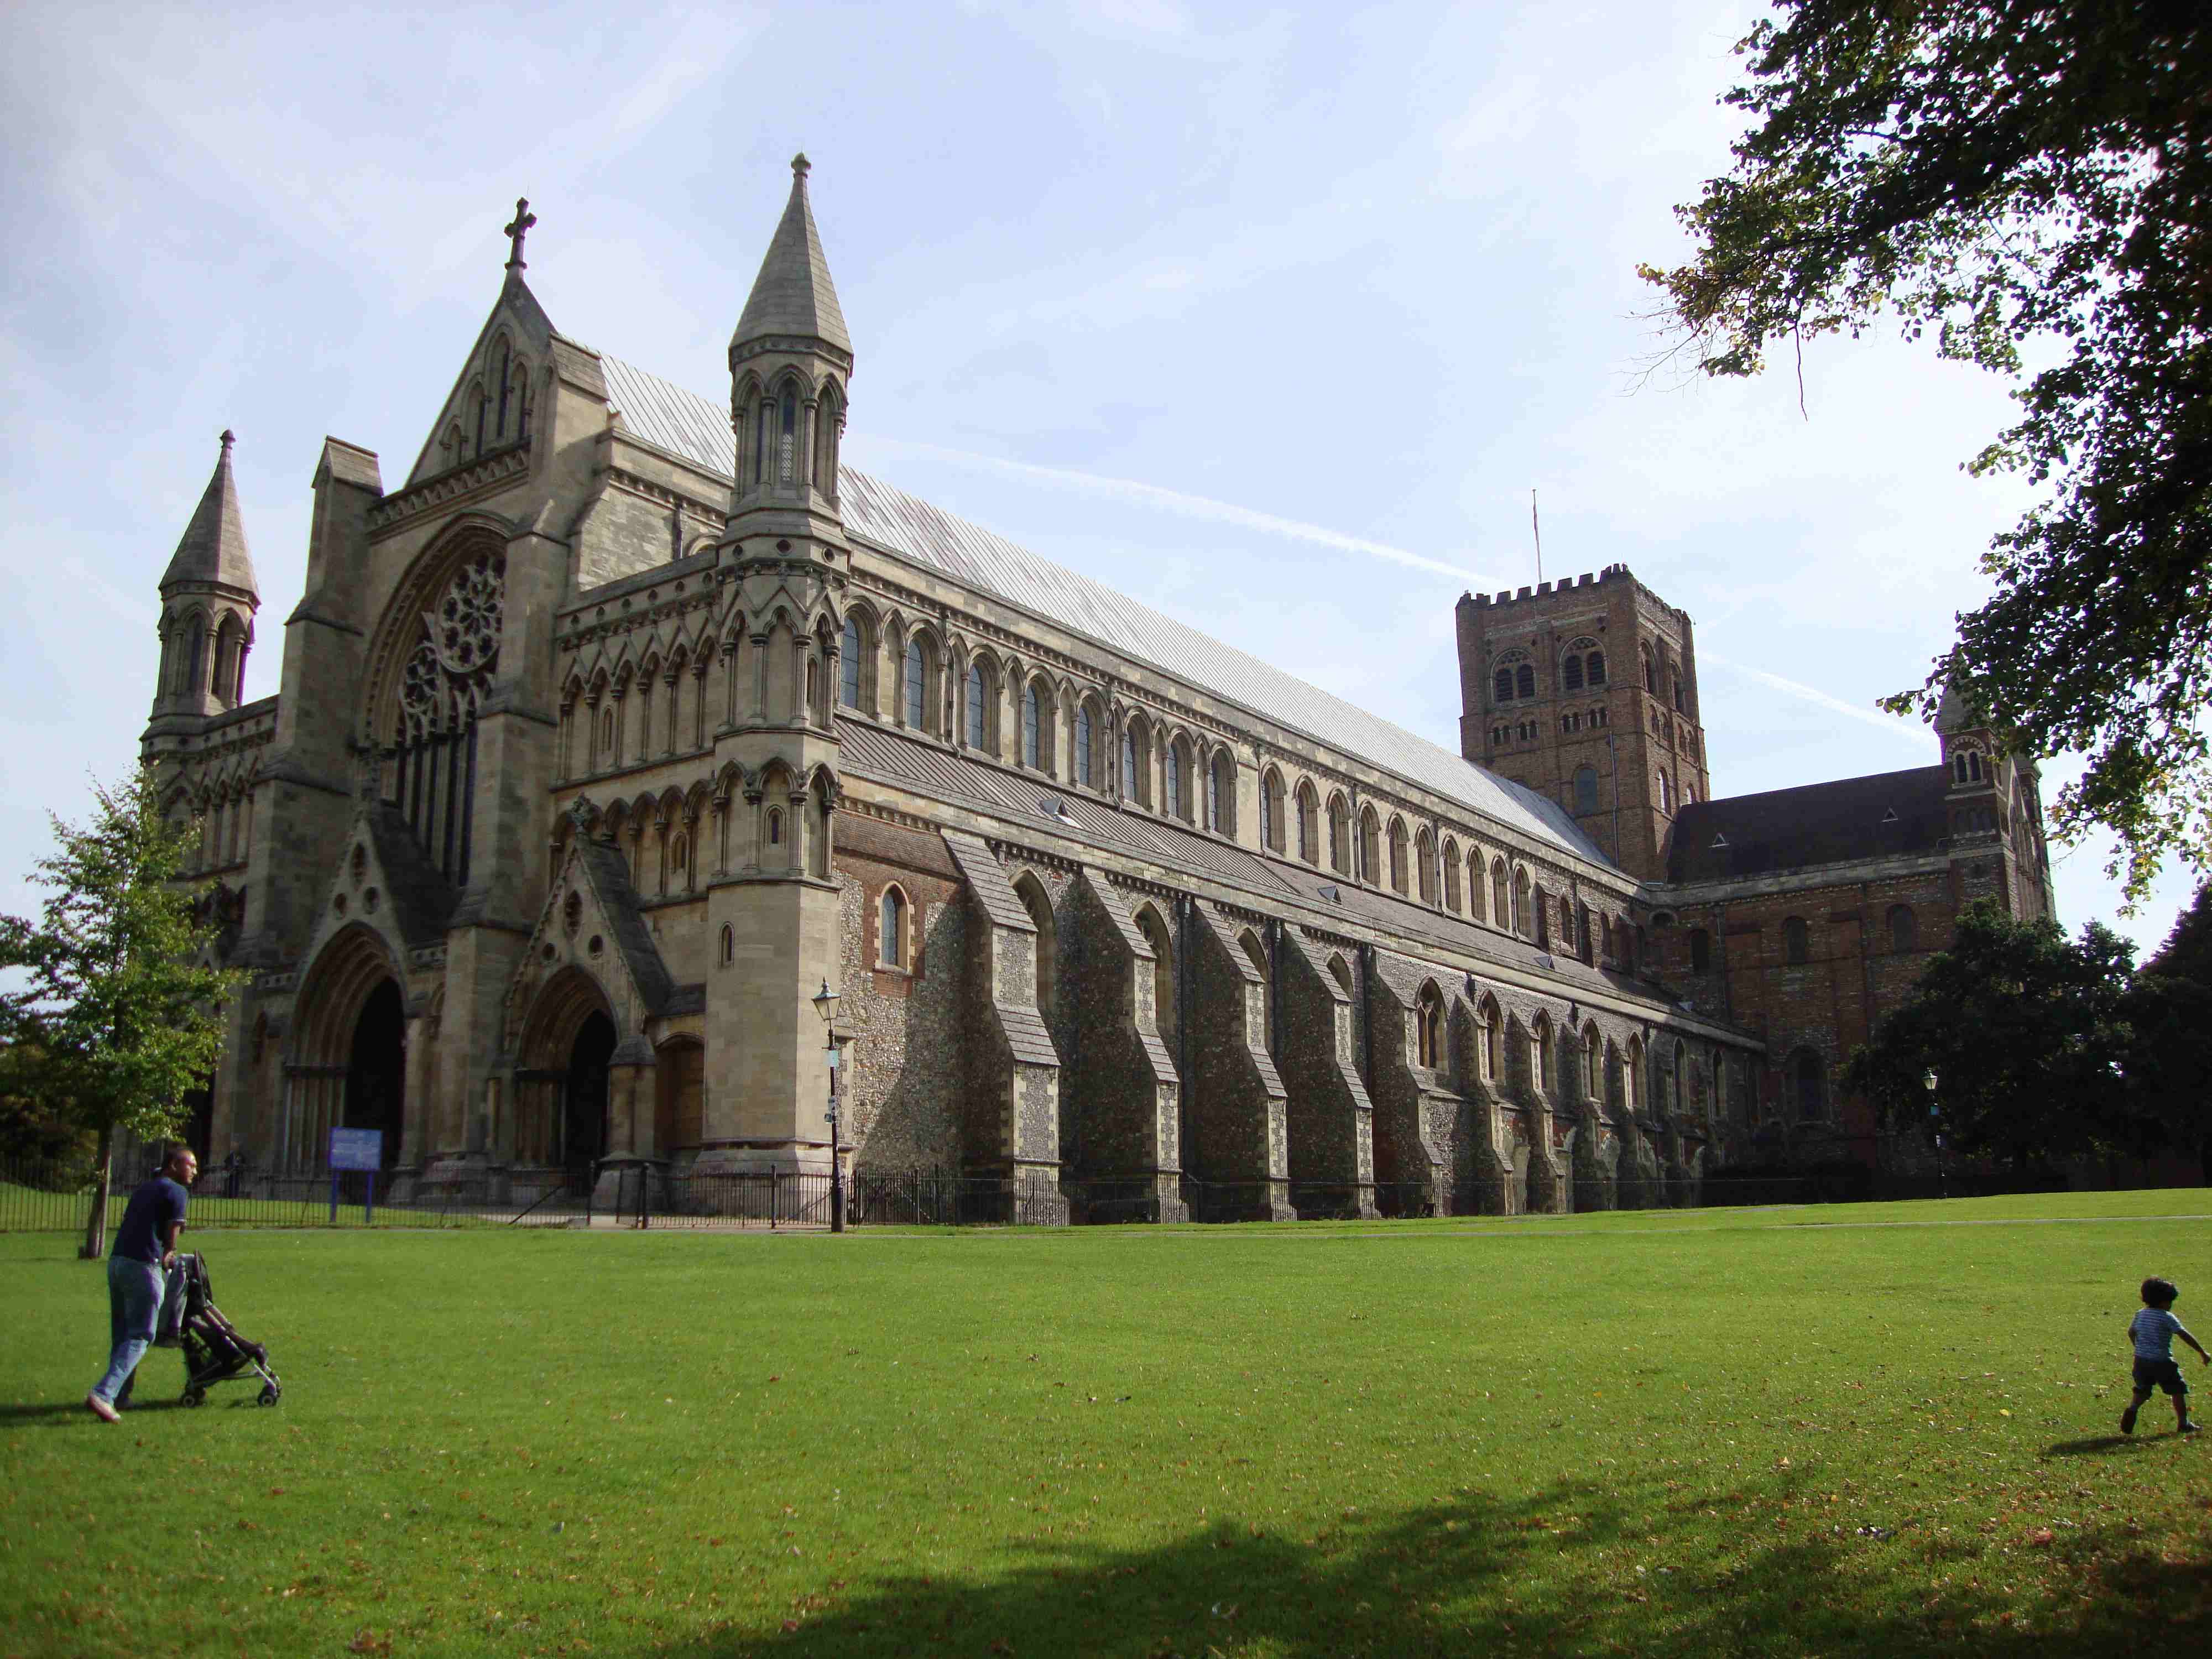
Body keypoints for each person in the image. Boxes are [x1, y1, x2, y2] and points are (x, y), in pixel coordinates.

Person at [85, 1146, 197, 1422]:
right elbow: (172, 1233)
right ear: (174, 1165)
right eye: (191, 1165)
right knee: (142, 1335)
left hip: (118, 1262)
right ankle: (104, 1394)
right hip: (145, 1265)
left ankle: (120, 1397)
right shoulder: (177, 1191)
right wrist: (169, 1254)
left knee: (123, 1335)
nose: (195, 1171)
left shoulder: (144, 1188)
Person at [2121, 1275, 2208, 1437]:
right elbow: (2184, 1334)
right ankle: (2184, 1423)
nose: (2171, 1305)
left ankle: (2132, 1409)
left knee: (2143, 1389)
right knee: (2177, 1389)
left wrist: (2138, 1347)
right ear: (2163, 1302)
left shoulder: (2140, 1314)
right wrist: (2202, 1352)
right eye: (2170, 1302)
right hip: (2162, 1362)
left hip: (2141, 1361)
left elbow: (2131, 1332)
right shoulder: (2167, 1317)